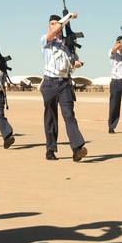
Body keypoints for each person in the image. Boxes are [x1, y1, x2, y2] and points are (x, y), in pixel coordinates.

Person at [40, 12, 87, 161]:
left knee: (69, 115)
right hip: (49, 83)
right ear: (49, 26)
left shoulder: (69, 45)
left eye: (57, 23)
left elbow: (73, 61)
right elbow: (53, 33)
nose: (55, 26)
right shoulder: (45, 41)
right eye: (52, 24)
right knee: (51, 117)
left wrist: (77, 64)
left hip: (64, 83)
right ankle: (50, 149)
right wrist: (67, 18)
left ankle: (77, 148)